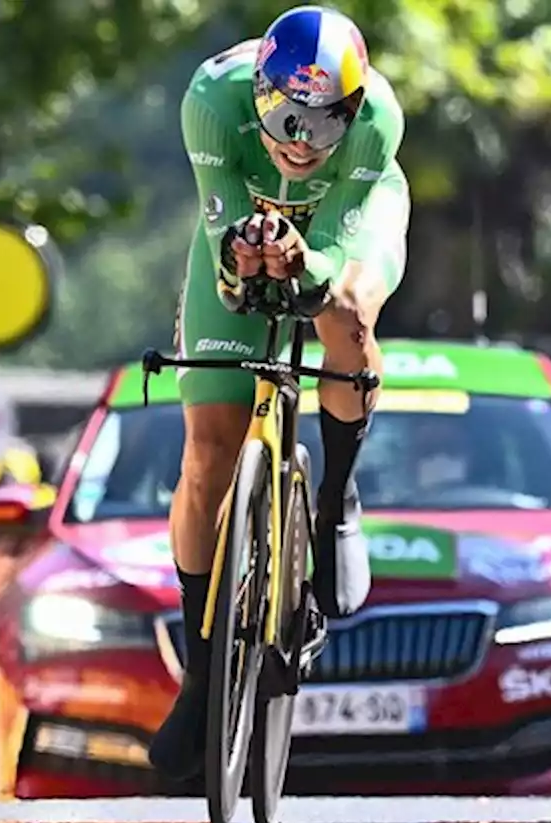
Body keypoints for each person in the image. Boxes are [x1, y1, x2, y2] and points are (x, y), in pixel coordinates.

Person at [151, 5, 409, 780]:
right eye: (288, 116)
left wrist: (309, 266)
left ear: (353, 113)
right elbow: (225, 264)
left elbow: (332, 253)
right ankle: (202, 671)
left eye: (325, 123)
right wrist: (246, 258)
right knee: (209, 454)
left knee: (346, 309)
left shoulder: (376, 126)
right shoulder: (211, 99)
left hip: (343, 225)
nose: (301, 140)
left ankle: (335, 500)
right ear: (259, 96)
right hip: (242, 222)